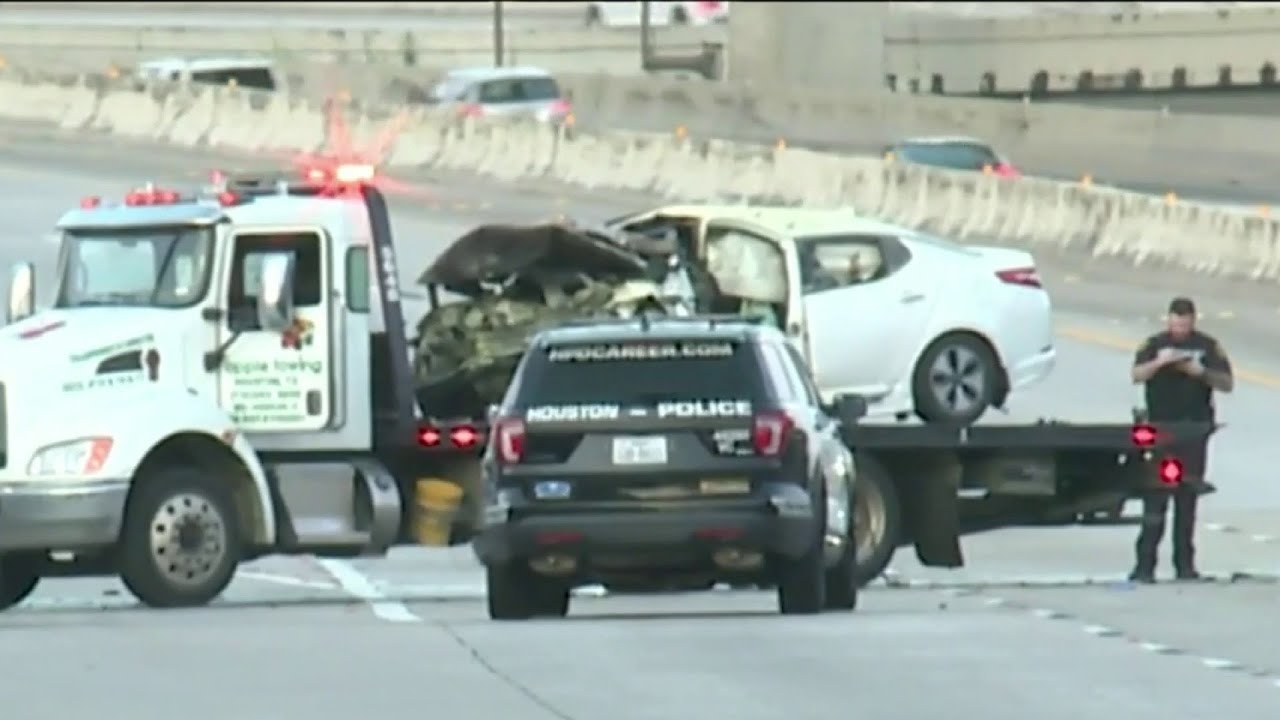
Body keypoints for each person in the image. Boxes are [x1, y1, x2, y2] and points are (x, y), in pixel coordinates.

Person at [1128, 297, 1234, 583]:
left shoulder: (1207, 346)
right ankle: (1144, 566)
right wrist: (1160, 363)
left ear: (1193, 321)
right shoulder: (1153, 344)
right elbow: (1136, 375)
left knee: (1187, 499)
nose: (1180, 329)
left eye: (1185, 325)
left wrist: (1200, 372)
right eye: (1176, 324)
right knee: (1156, 499)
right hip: (1161, 430)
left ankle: (1185, 565)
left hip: (1194, 430)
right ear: (1168, 320)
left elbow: (1227, 383)